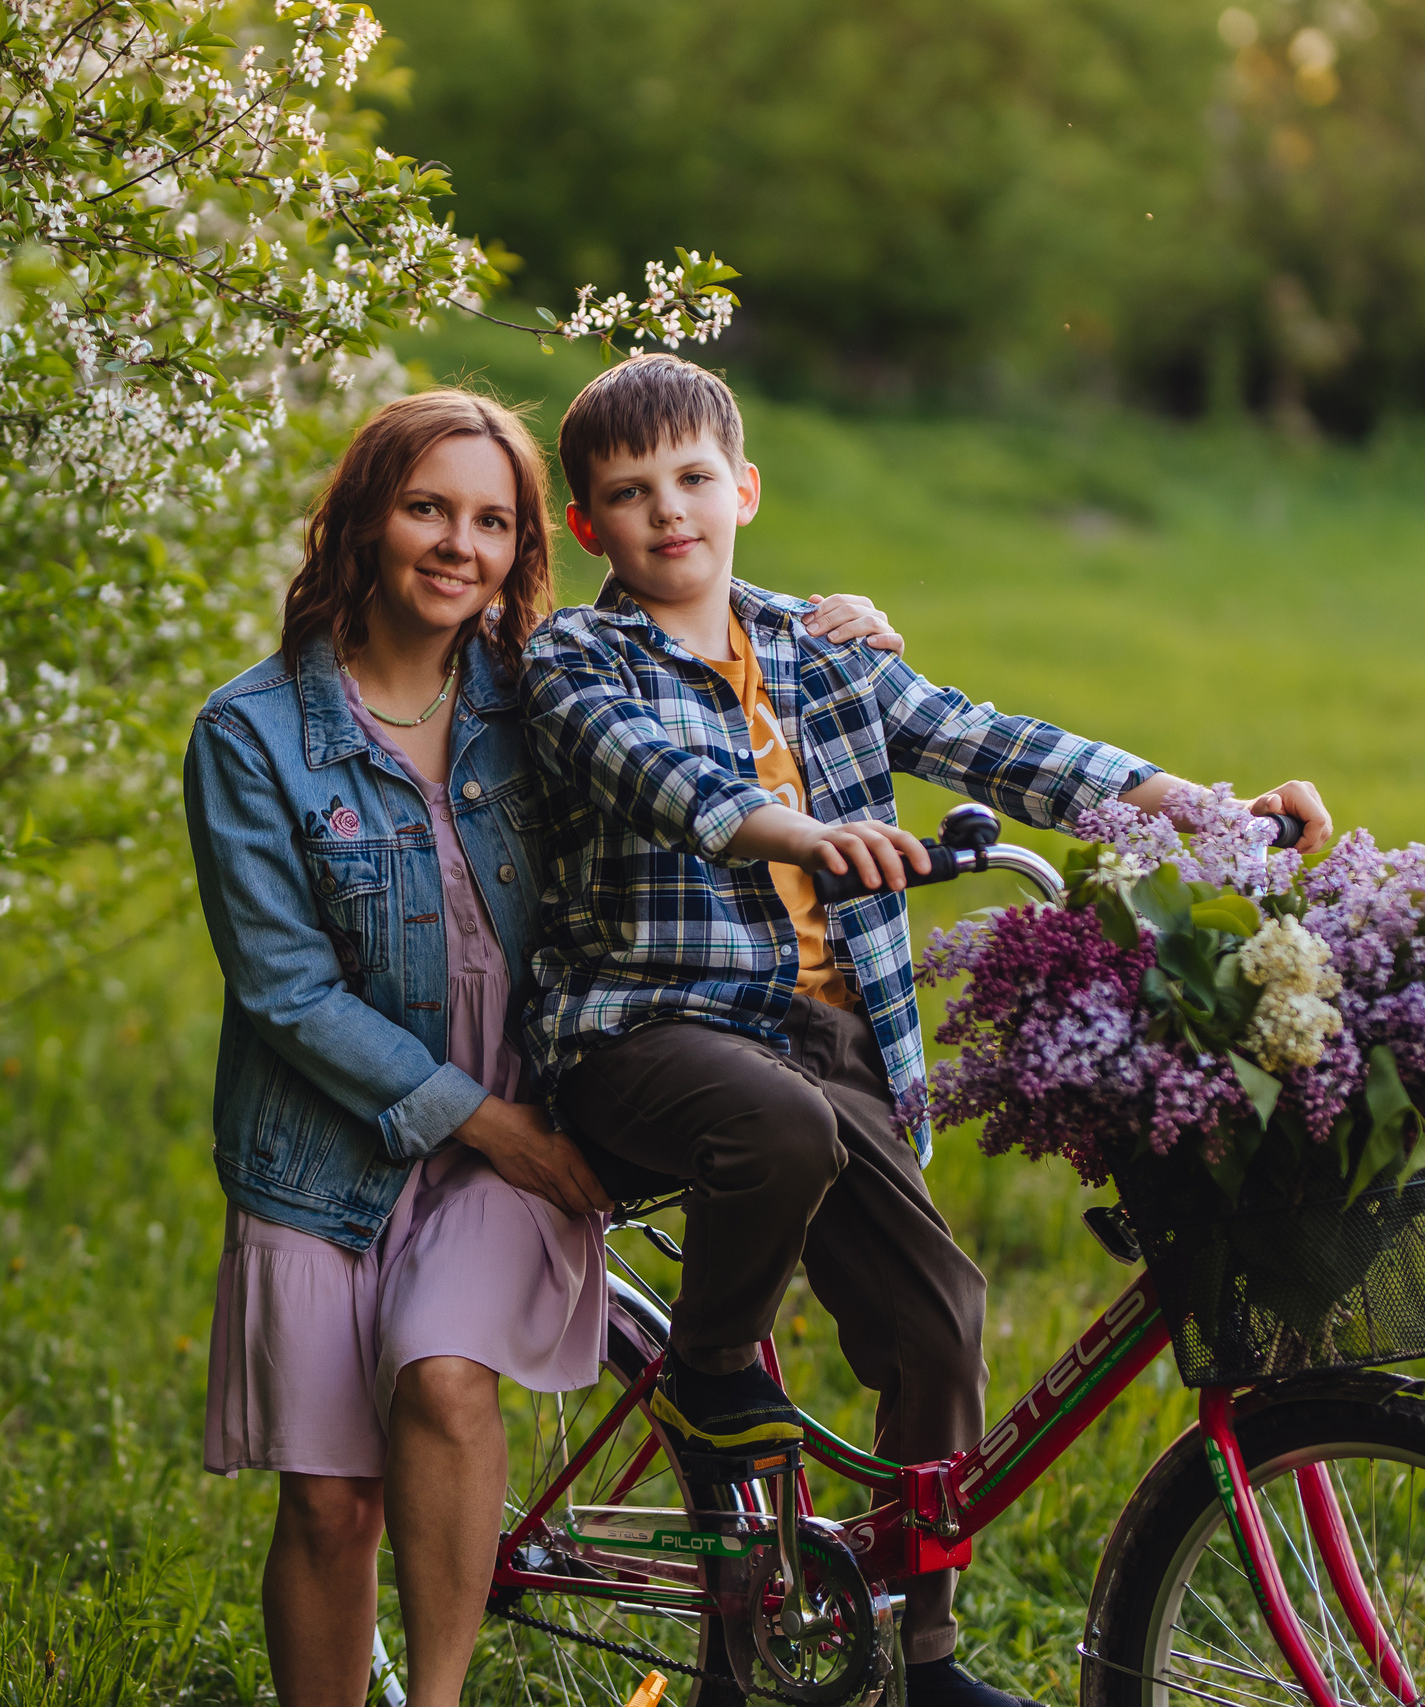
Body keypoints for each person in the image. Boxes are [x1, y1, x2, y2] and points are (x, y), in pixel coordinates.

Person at [516, 353, 1331, 1707]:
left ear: (747, 489)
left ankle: (926, 1658)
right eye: (629, 493)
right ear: (587, 526)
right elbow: (661, 779)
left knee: (940, 1319)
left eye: (695, 479)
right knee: (768, 1136)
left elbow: (999, 745)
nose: (671, 511)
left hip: (832, 1045)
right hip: (649, 1033)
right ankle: (706, 1370)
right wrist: (802, 832)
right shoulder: (575, 656)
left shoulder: (825, 652)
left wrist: (1209, 808)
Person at [180, 386, 908, 1707]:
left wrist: (817, 622)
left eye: (492, 522)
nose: (458, 545)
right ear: (366, 520)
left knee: (449, 1387)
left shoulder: (543, 688)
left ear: (527, 549)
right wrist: (477, 1116)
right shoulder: (253, 735)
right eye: (427, 510)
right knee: (334, 1504)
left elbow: (689, 623)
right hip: (325, 1141)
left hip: (521, 1117)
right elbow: (284, 991)